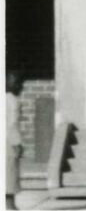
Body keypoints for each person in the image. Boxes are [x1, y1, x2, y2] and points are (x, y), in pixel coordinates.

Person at [5, 72, 21, 211]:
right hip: (7, 141)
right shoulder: (12, 100)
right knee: (9, 172)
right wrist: (16, 144)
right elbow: (12, 124)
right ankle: (9, 205)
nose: (19, 86)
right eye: (16, 82)